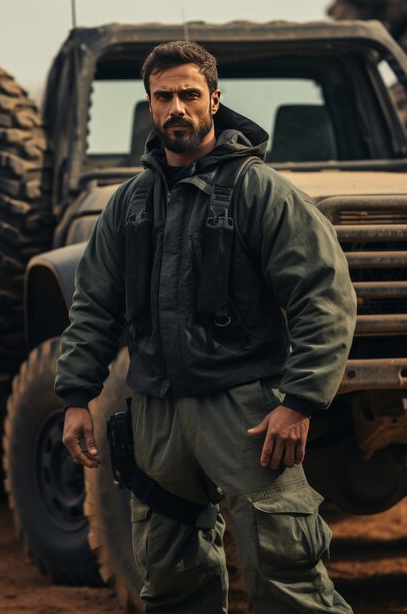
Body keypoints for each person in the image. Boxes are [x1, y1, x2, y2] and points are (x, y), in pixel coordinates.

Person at [55, 41, 357, 613]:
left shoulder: (260, 190)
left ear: (214, 100)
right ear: (150, 105)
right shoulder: (129, 204)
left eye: (190, 94)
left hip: (246, 413)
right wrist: (76, 396)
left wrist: (300, 401)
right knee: (171, 581)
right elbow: (93, 303)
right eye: (164, 96)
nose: (178, 107)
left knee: (287, 576)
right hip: (157, 415)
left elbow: (324, 294)